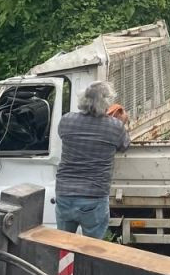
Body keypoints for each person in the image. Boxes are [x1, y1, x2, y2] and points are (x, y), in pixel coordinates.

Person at [54, 81, 131, 238]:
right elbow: (124, 146)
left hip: (65, 195)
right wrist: (122, 123)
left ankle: (66, 262)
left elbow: (64, 136)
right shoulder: (115, 127)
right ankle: (88, 263)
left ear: (82, 99)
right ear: (107, 103)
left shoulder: (66, 120)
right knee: (93, 250)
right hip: (94, 197)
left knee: (63, 245)